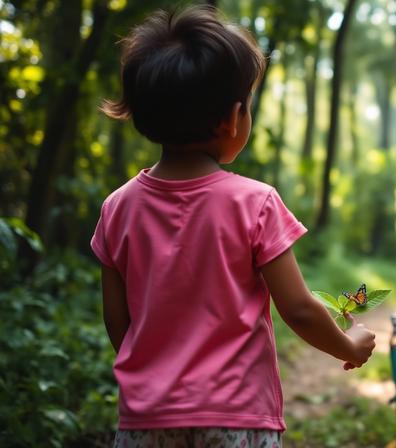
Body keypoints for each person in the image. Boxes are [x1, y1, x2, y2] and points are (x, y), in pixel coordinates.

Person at [91, 7, 375, 447]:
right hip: (237, 418)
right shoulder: (256, 203)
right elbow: (298, 309)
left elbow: (117, 320)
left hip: (145, 420)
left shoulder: (117, 208)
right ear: (232, 118)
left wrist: (156, 380)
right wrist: (349, 345)